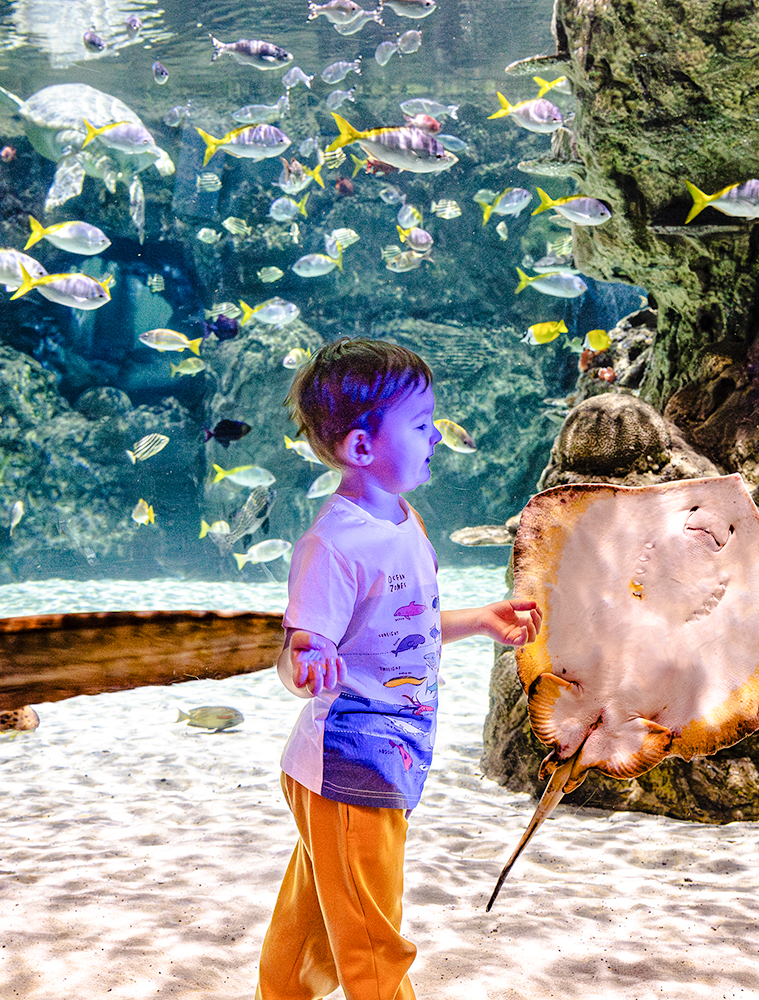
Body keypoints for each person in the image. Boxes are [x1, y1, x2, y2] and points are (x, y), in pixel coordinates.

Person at [256, 339, 542, 1000]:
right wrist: (305, 661)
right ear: (361, 446)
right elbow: (298, 656)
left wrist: (479, 619)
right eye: (419, 425)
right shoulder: (334, 545)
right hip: (348, 772)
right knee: (372, 943)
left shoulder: (403, 521)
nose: (435, 436)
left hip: (378, 762)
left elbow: (398, 631)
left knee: (313, 927)